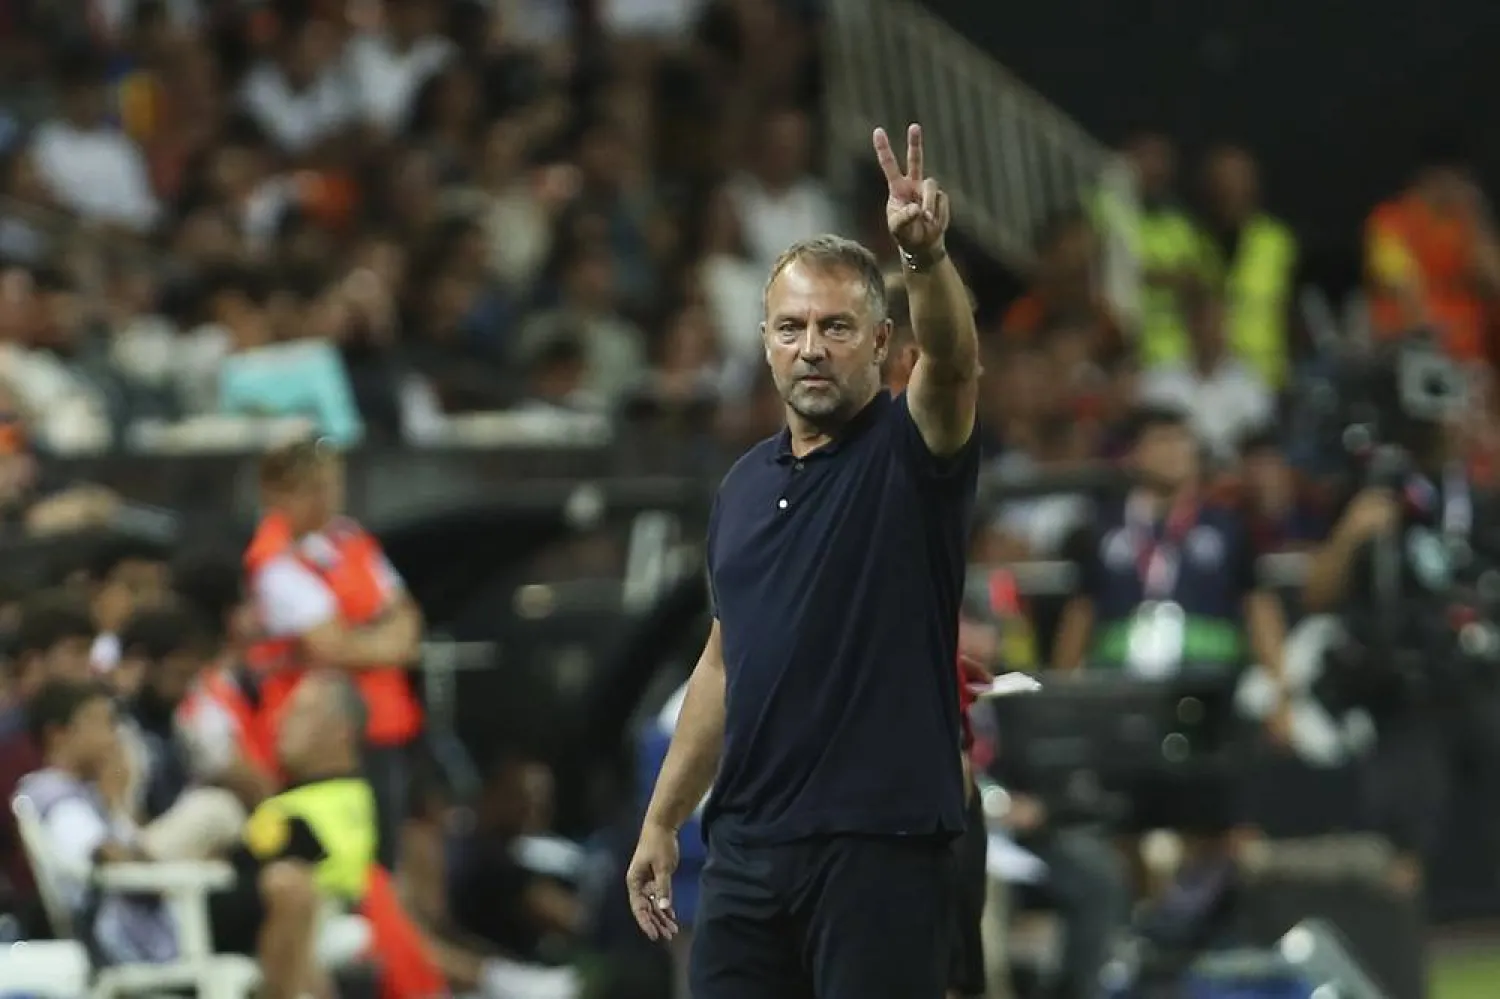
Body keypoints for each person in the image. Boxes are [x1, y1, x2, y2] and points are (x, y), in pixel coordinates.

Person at [627, 123, 981, 999]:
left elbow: (957, 361)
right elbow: (723, 659)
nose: (811, 347)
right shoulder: (741, 486)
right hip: (748, 850)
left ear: (880, 342)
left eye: (834, 326)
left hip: (881, 848)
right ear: (764, 339)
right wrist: (665, 818)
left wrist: (926, 257)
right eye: (790, 327)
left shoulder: (910, 451)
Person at [14, 678, 322, 999]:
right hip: (148, 934)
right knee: (287, 888)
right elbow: (106, 855)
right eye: (99, 723)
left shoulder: (88, 793)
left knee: (294, 887)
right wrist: (168, 864)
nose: (111, 736)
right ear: (58, 734)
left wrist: (116, 804)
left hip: (169, 916)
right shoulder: (55, 794)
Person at [243, 437, 424, 870]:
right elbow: (329, 645)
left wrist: (363, 642)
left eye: (331, 485)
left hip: (385, 726)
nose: (326, 499)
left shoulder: (349, 540)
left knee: (388, 855)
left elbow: (407, 620)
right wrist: (380, 640)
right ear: (276, 493)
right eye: (311, 488)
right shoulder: (273, 562)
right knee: (345, 858)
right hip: (322, 736)